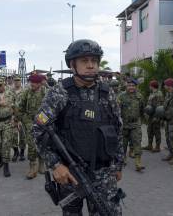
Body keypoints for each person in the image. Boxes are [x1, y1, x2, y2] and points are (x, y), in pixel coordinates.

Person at [33, 39, 124, 215]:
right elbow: (38, 131)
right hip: (70, 173)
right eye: (84, 61)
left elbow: (117, 129)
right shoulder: (60, 92)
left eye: (94, 61)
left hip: (104, 172)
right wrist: (56, 165)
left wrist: (118, 164)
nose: (91, 66)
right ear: (72, 65)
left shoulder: (107, 93)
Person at [17, 74, 47, 179]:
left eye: (33, 82)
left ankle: (41, 163)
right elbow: (20, 107)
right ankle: (33, 167)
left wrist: (44, 121)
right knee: (31, 143)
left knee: (42, 143)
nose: (31, 84)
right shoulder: (27, 92)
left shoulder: (45, 92)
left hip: (43, 120)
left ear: (39, 83)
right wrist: (19, 119)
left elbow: (50, 108)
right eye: (31, 82)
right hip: (29, 120)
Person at [118, 78, 145, 171]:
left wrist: (141, 120)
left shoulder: (140, 97)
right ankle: (123, 158)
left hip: (135, 124)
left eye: (133, 86)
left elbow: (142, 109)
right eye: (129, 85)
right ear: (126, 86)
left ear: (136, 87)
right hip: (124, 124)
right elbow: (117, 110)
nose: (131, 87)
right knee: (123, 144)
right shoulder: (121, 96)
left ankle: (138, 163)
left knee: (137, 142)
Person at [143, 80, 164, 152]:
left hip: (155, 115)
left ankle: (157, 147)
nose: (149, 87)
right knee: (149, 130)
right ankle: (150, 145)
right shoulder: (152, 93)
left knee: (156, 131)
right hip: (150, 115)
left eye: (150, 85)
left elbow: (159, 107)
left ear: (152, 86)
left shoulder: (158, 94)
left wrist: (157, 117)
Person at [11, 75, 26, 162]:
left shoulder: (25, 91)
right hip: (13, 117)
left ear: (21, 81)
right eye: (15, 81)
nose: (17, 82)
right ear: (13, 81)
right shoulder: (10, 92)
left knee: (22, 135)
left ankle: (22, 152)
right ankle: (16, 152)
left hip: (22, 117)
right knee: (13, 135)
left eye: (18, 81)